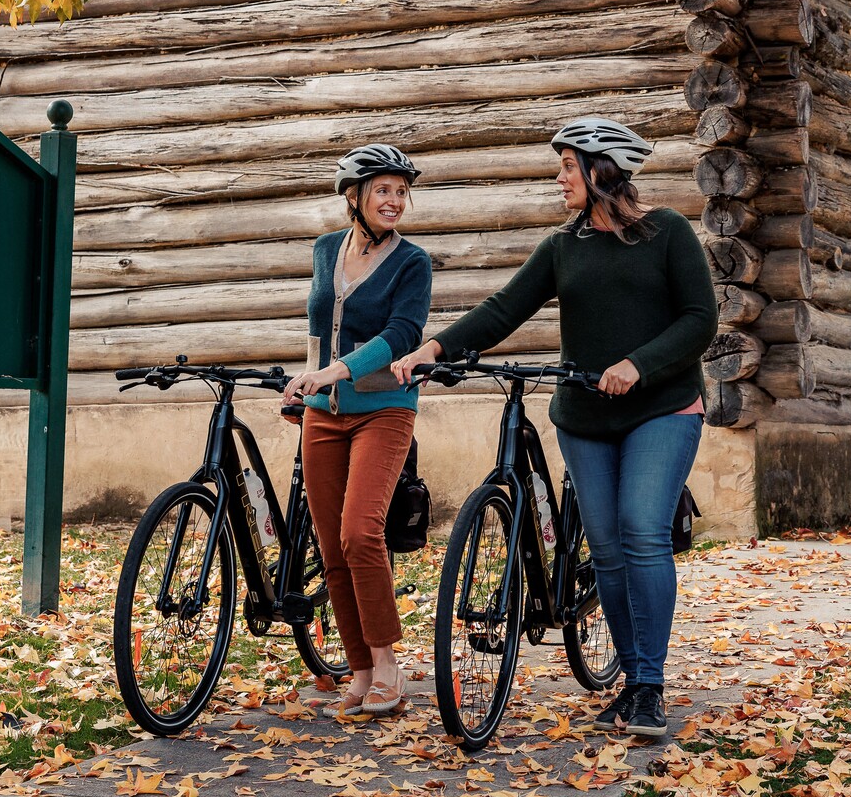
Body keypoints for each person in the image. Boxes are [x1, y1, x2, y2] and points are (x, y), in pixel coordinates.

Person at [388, 118, 715, 738]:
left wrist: (636, 365)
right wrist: (435, 350)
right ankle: (632, 681)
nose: (559, 177)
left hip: (663, 408)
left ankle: (649, 685)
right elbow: (502, 310)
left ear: (603, 171)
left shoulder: (667, 232)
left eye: (569, 165)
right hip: (585, 416)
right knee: (609, 551)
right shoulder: (562, 247)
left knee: (641, 531)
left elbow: (700, 321)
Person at [283, 144, 433, 719]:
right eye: (383, 191)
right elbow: (321, 326)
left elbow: (402, 333)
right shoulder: (326, 250)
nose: (394, 201)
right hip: (324, 412)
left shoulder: (411, 262)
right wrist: (306, 388)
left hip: (384, 408)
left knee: (360, 533)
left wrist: (339, 370)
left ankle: (389, 666)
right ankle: (361, 670)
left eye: (401, 191)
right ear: (355, 197)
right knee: (330, 547)